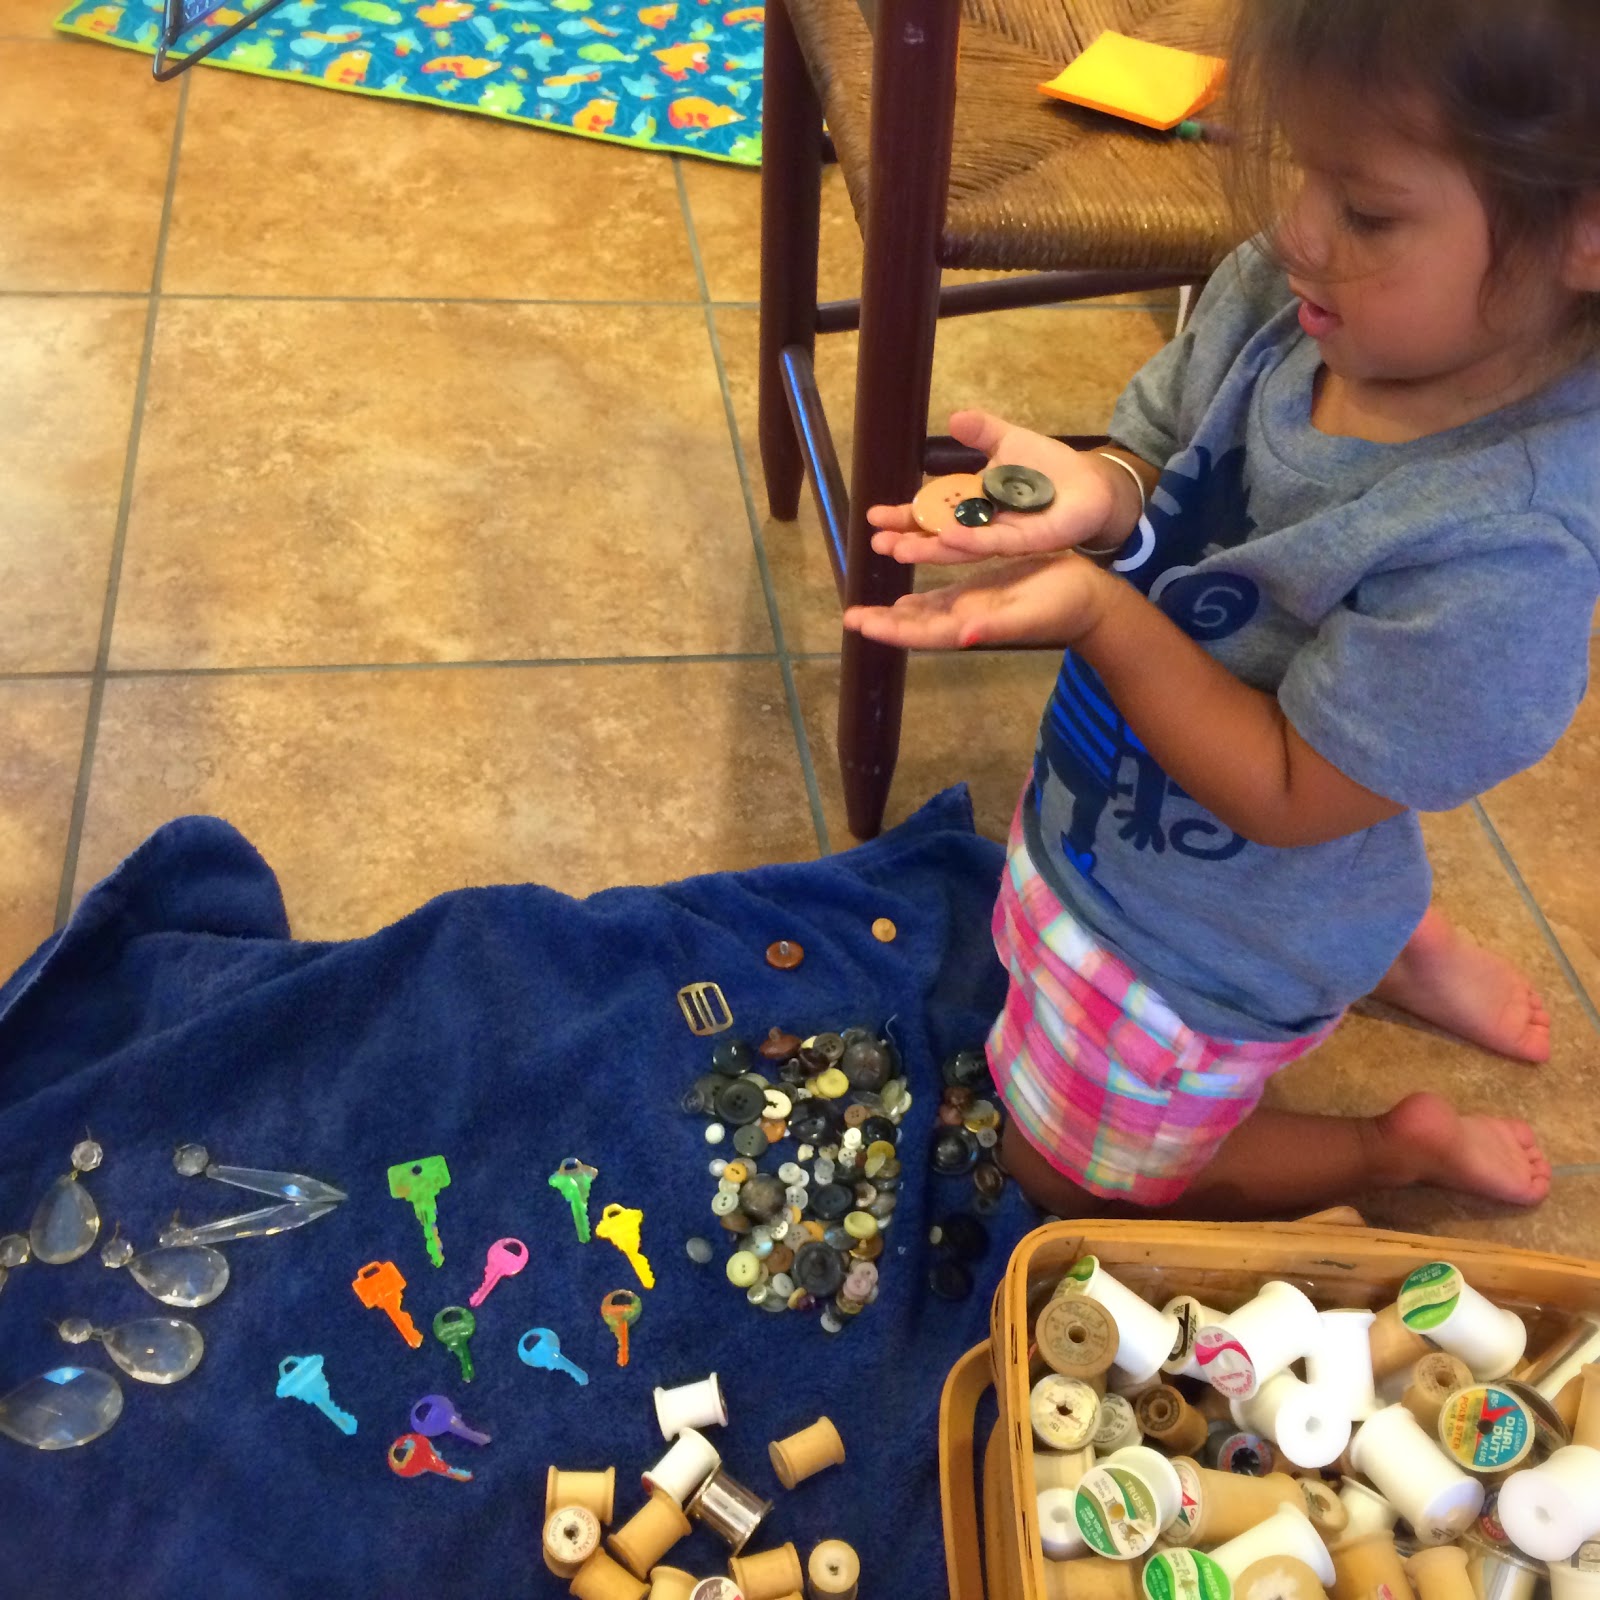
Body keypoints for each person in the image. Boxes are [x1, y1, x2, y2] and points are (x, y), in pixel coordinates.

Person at [843, 0, 1600, 1218]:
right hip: (1154, 838)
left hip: (1227, 940)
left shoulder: (1513, 544)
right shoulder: (1297, 294)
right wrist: (1098, 492)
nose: (1292, 227)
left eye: (1365, 209)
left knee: (1059, 1175)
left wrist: (1101, 613)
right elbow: (1155, 450)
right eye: (1296, 163)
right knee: (1343, 869)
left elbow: (1299, 791)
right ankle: (1405, 944)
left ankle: (1392, 1147)